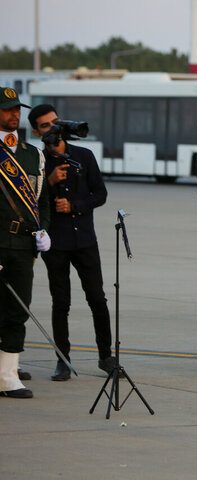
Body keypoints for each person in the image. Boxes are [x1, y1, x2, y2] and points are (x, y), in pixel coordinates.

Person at [27, 104, 114, 381]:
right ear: (35, 132)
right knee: (60, 302)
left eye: (55, 122)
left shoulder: (84, 156)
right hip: (56, 243)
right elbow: (27, 200)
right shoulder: (36, 161)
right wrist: (49, 182)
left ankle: (106, 356)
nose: (53, 128)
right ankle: (62, 360)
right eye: (45, 125)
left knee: (97, 299)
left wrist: (75, 206)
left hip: (85, 240)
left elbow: (100, 194)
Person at [0, 87, 51, 398]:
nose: (14, 114)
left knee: (18, 309)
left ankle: (8, 377)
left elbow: (41, 200)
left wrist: (44, 230)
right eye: (7, 109)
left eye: (16, 109)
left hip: (23, 245)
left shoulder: (33, 155)